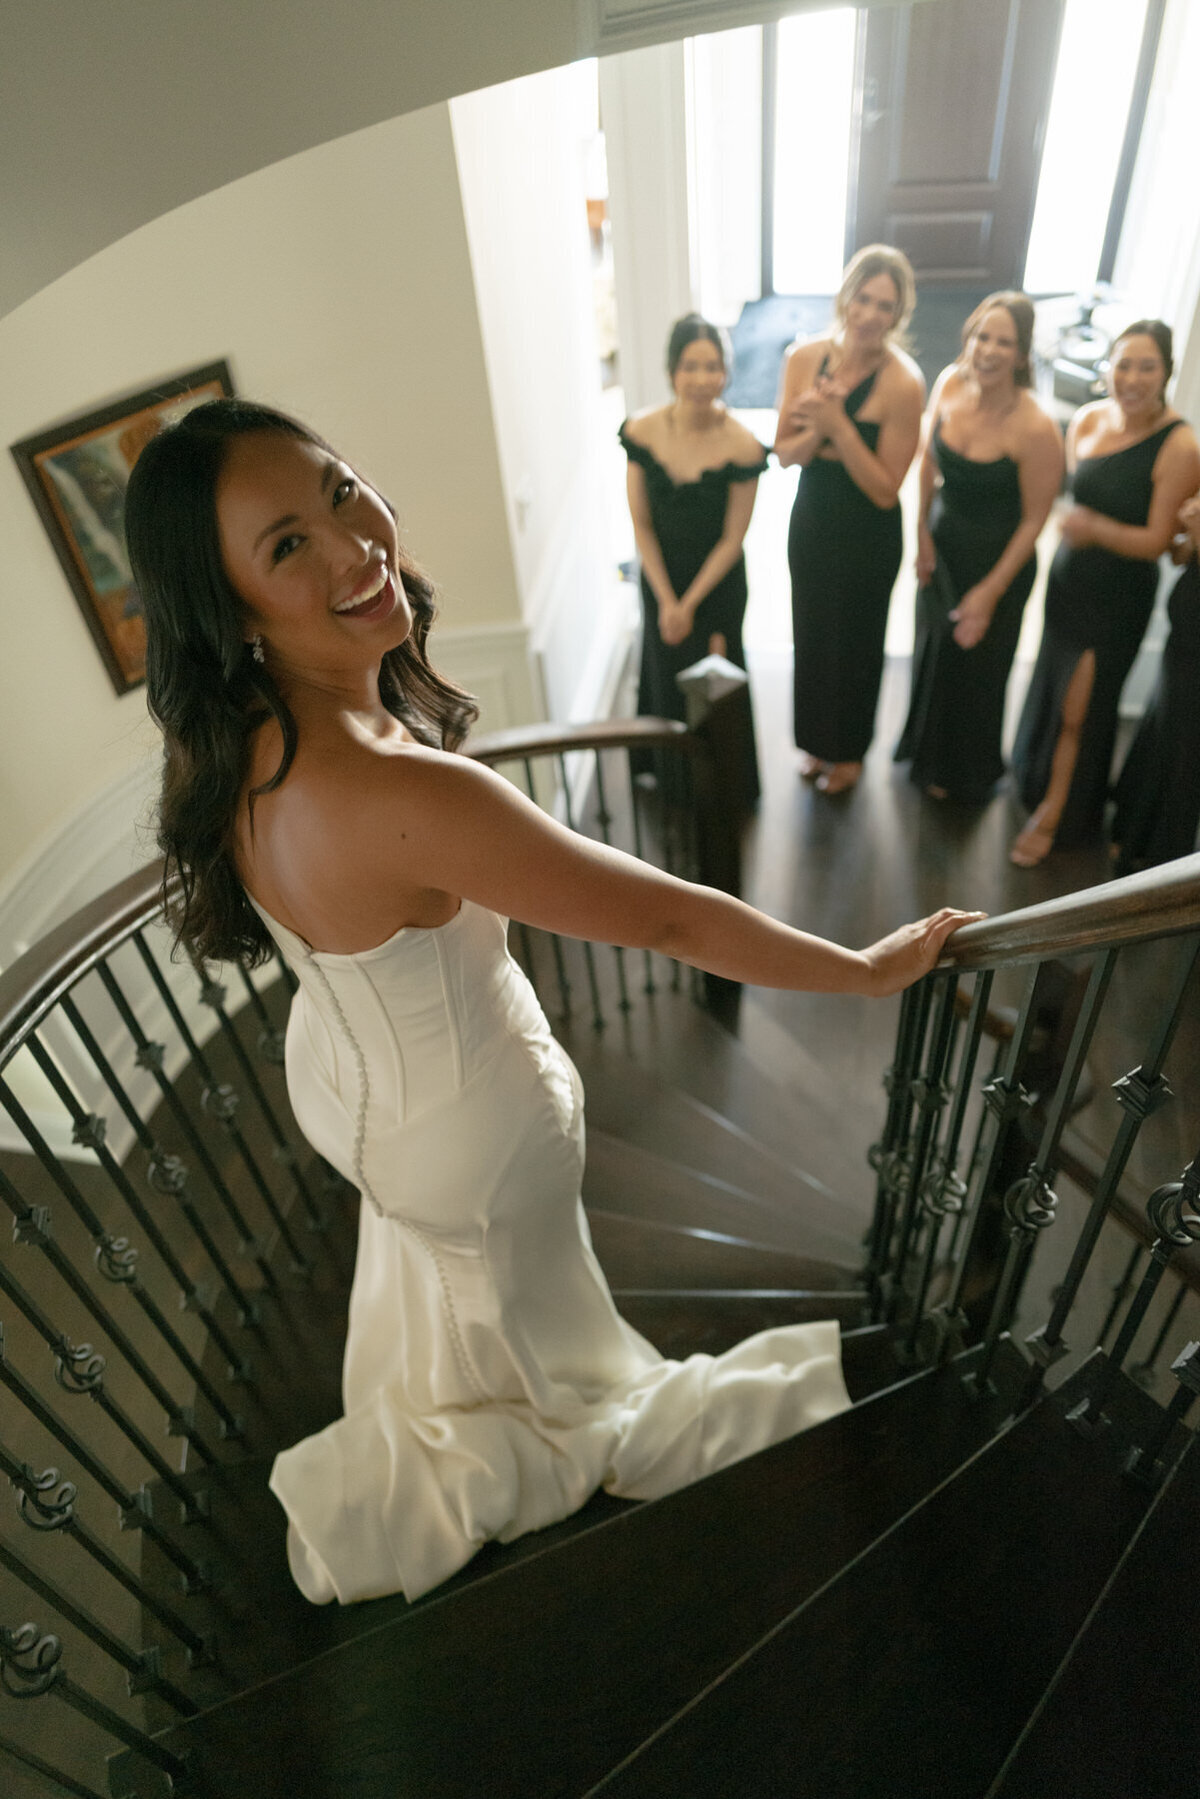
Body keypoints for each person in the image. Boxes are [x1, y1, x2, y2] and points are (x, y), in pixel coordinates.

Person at [123, 398, 980, 1607]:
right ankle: (553, 1420)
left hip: (344, 1080)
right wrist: (863, 968)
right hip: (471, 1123)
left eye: (339, 488)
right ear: (233, 611)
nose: (353, 541)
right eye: (286, 547)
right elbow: (674, 918)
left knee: (450, 1271)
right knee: (540, 1333)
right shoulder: (410, 795)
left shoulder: (228, 744)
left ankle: (469, 1393)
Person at [1010, 320, 1200, 866]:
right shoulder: (1089, 420)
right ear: (1106, 368)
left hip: (1116, 601)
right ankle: (1041, 783)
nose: (1133, 378)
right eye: (1123, 364)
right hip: (1067, 585)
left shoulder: (1178, 443)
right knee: (1051, 685)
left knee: (1083, 710)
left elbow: (1160, 542)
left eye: (1147, 367)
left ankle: (1061, 814)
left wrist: (1095, 530)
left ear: (1166, 373)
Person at [895, 292, 1063, 802]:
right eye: (981, 336)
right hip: (942, 546)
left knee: (977, 671)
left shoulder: (1037, 427)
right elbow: (928, 461)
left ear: (1022, 354)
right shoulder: (949, 382)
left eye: (1003, 342)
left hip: (997, 560)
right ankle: (922, 752)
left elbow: (1036, 519)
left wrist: (990, 592)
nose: (988, 350)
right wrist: (921, 530)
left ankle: (967, 773)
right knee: (934, 651)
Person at [775, 244, 925, 795]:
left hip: (868, 534)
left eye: (884, 307)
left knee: (857, 642)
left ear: (898, 314)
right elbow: (786, 453)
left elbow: (886, 490)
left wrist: (833, 424)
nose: (869, 316)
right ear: (845, 296)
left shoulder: (904, 383)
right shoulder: (803, 358)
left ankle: (850, 753)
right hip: (813, 519)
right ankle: (816, 742)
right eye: (863, 299)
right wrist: (823, 433)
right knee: (811, 633)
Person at [620, 315, 766, 810]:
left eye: (713, 367)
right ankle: (670, 779)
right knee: (663, 671)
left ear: (726, 371)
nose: (702, 379)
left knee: (717, 682)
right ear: (671, 371)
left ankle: (722, 784)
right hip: (661, 576)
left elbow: (733, 539)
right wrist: (666, 601)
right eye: (690, 366)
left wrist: (690, 604)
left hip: (716, 584)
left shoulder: (743, 445)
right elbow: (641, 524)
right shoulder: (641, 431)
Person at [1110, 489, 1200, 872]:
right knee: (1162, 723)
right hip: (1185, 624)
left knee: (1186, 738)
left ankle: (1161, 851)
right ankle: (1135, 828)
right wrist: (1189, 535)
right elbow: (1181, 556)